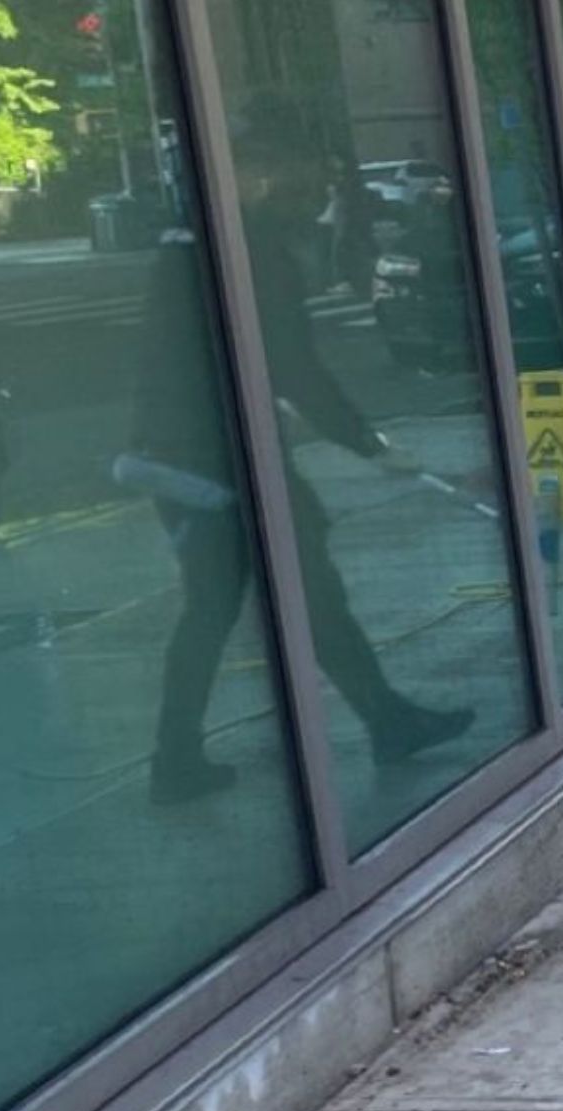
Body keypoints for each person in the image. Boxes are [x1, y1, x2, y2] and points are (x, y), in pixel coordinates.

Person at [142, 124, 473, 802]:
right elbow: (294, 367)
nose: (319, 192)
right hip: (223, 461)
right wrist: (370, 444)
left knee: (218, 604)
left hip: (179, 454)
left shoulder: (187, 238)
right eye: (311, 175)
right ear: (264, 171)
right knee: (308, 592)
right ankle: (384, 722)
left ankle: (177, 759)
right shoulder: (251, 249)